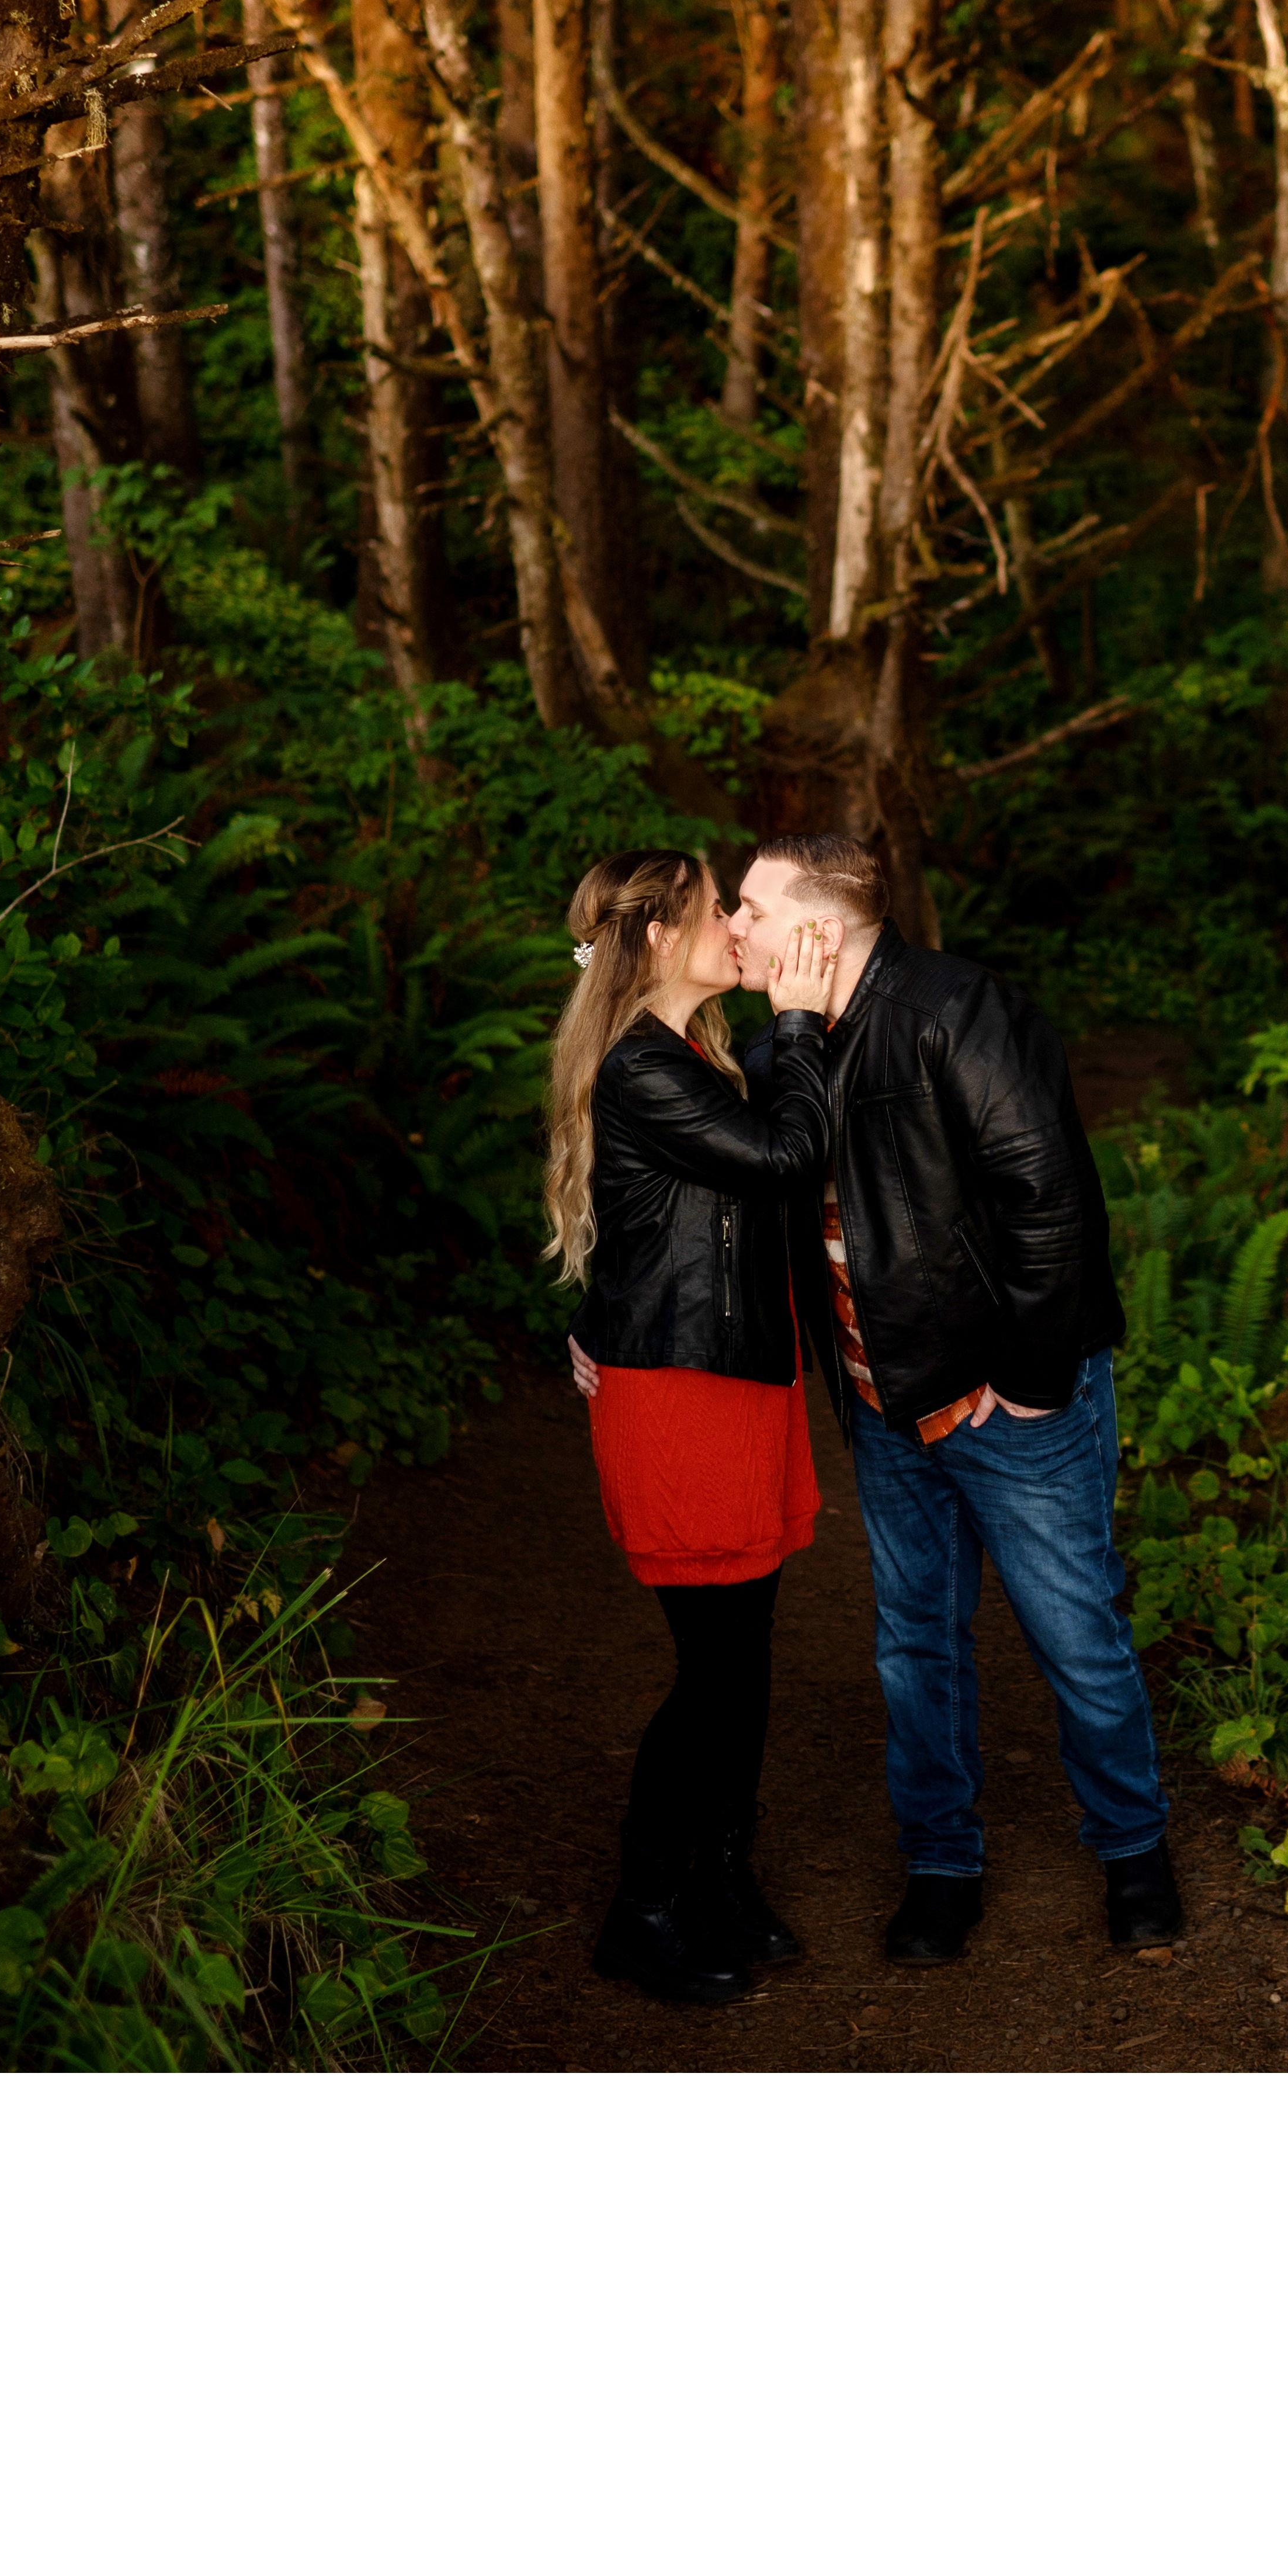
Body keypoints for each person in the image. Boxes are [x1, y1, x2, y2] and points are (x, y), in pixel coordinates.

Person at [728, 830, 1183, 1964]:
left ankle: (1135, 1853)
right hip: (887, 1408)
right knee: (915, 1642)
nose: (731, 926)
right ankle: (942, 1865)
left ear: (817, 930)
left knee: (1075, 1633)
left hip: (1005, 1402)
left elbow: (1052, 1202)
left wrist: (1026, 1384)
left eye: (750, 907)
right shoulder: (780, 1042)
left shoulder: (958, 1011)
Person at [543, 847, 842, 2006]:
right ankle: (646, 1908)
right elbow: (785, 1158)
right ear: (659, 940)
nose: (732, 923)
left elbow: (647, 1223)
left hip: (739, 1380)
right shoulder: (637, 1070)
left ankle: (720, 1877)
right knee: (712, 1675)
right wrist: (804, 1019)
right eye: (715, 909)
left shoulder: (690, 1054)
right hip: (682, 1397)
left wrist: (592, 1309)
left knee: (746, 1663)